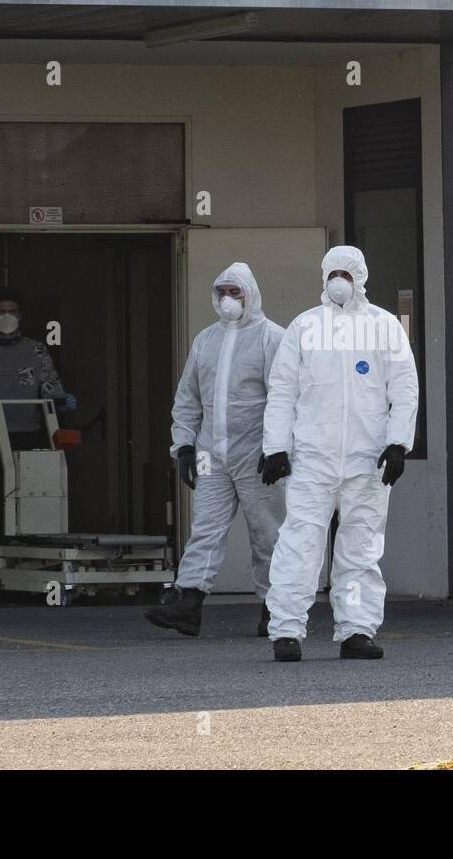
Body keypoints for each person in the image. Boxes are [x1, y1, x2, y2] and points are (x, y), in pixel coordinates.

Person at [259, 245, 418, 661]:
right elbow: (282, 391)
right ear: (323, 276)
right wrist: (276, 446)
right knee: (300, 542)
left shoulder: (384, 326)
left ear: (361, 277)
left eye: (347, 273)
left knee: (361, 546)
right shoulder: (304, 327)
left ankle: (356, 630)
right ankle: (287, 631)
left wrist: (399, 443)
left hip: (368, 458)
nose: (339, 281)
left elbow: (404, 388)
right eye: (333, 272)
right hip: (313, 457)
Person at [146, 263, 286, 638]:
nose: (227, 300)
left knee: (267, 531)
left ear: (250, 294)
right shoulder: (205, 340)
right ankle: (188, 602)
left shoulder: (273, 338)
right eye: (222, 292)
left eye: (235, 292)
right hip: (212, 452)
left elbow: (288, 398)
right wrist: (185, 447)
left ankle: (277, 609)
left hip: (258, 453)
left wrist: (279, 448)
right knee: (205, 527)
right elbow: (188, 398)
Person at [0, 288, 76, 598]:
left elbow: (51, 388)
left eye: (12, 310)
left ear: (21, 315)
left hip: (31, 433)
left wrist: (61, 402)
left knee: (36, 498)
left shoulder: (37, 351)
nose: (7, 317)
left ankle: (36, 567)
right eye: (1, 311)